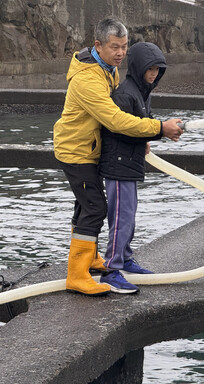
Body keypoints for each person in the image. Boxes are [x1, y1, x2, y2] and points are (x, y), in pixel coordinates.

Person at [53, 17, 183, 296]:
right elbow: (114, 120)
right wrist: (158, 129)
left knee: (85, 206)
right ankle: (77, 275)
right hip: (76, 151)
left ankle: (89, 260)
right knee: (95, 208)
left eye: (124, 47)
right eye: (115, 47)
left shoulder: (107, 68)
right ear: (98, 45)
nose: (121, 53)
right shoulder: (88, 78)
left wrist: (141, 139)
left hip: (90, 148)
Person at [98, 42, 175, 294]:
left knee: (128, 216)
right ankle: (111, 270)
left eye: (157, 69)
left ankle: (126, 259)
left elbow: (142, 123)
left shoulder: (143, 91)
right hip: (118, 166)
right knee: (120, 218)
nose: (153, 73)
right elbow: (120, 128)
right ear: (139, 67)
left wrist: (147, 137)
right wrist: (158, 131)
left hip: (129, 165)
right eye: (149, 68)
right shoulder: (125, 93)